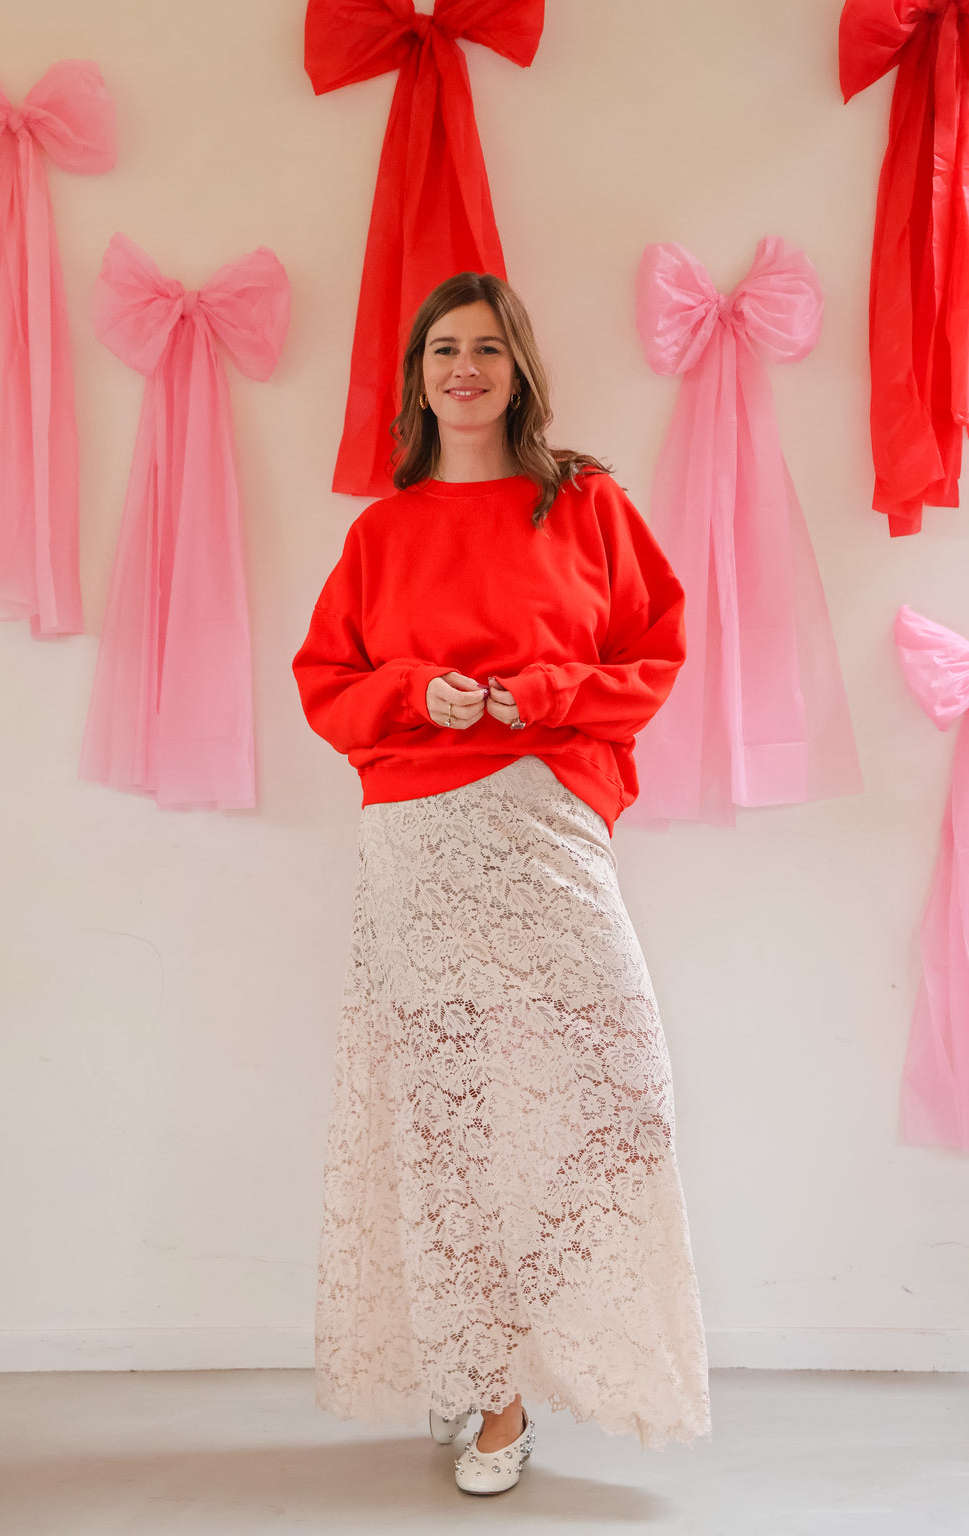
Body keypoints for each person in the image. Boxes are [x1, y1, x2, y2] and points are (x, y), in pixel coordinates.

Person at [292, 271, 710, 1496]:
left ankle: (507, 1339)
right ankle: (493, 1391)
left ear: (518, 368)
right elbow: (325, 683)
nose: (462, 368)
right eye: (441, 350)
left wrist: (542, 695)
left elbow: (654, 653)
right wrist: (411, 692)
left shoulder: (585, 505)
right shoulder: (381, 532)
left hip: (545, 818)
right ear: (416, 378)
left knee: (624, 1100)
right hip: (419, 838)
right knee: (449, 1123)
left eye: (484, 348)